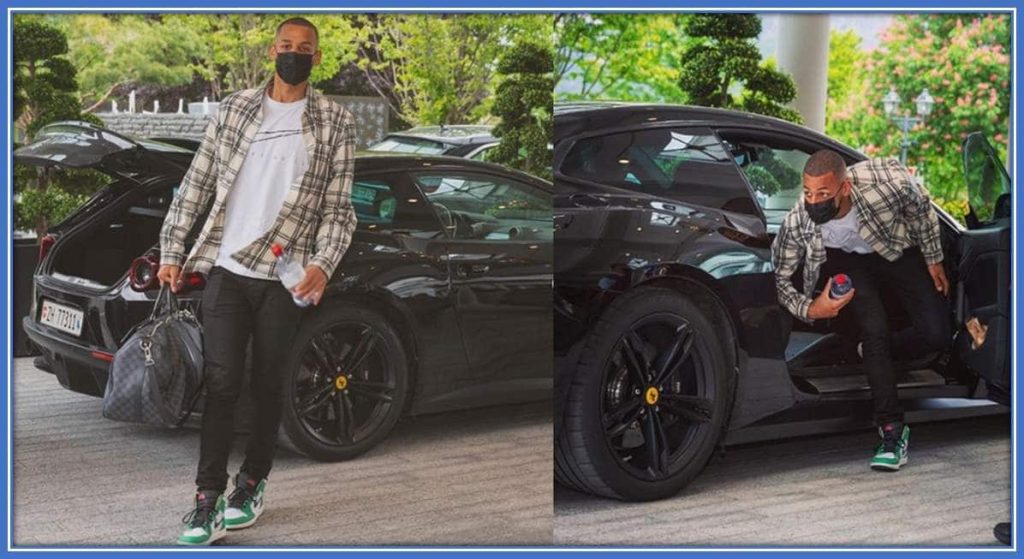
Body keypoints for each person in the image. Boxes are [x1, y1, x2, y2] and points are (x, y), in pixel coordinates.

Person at [157, 17, 357, 545]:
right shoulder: (236, 109)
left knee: (268, 385)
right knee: (221, 383)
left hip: (283, 277)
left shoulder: (334, 120)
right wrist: (172, 249)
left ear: (317, 57)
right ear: (274, 51)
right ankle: (206, 501)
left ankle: (252, 482)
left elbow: (339, 210)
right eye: (286, 46)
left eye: (305, 49)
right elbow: (196, 183)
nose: (294, 54)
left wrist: (323, 264)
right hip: (228, 268)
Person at [771, 149, 950, 472]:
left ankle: (872, 351)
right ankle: (892, 431)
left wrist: (933, 257)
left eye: (823, 194)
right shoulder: (800, 220)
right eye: (808, 193)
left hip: (896, 247)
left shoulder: (887, 187)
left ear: (845, 189)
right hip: (848, 259)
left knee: (936, 332)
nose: (814, 201)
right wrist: (813, 308)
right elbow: (780, 279)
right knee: (874, 328)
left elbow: (920, 206)